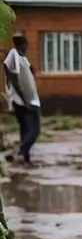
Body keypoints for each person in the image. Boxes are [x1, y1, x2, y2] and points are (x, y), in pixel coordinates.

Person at [3, 33, 41, 165]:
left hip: (26, 99)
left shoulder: (22, 58)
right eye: (25, 44)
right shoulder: (14, 55)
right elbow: (14, 80)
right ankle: (19, 152)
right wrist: (25, 101)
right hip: (25, 101)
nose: (26, 47)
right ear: (23, 43)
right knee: (35, 129)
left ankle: (25, 158)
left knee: (25, 129)